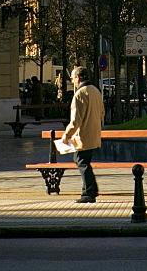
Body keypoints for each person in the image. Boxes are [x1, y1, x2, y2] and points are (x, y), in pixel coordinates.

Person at [61, 65, 105, 203]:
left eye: (73, 78)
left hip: (83, 135)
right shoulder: (95, 91)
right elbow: (102, 112)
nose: (72, 80)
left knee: (81, 162)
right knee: (85, 161)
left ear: (78, 78)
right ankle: (91, 190)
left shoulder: (80, 93)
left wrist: (66, 135)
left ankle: (88, 192)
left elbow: (76, 119)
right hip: (94, 133)